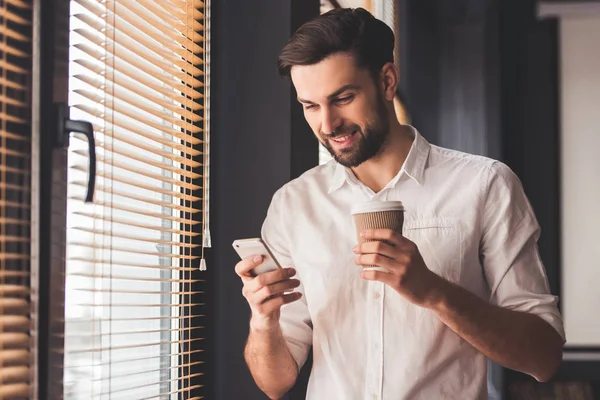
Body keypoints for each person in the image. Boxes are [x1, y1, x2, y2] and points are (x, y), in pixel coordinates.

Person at [235, 7, 565, 400]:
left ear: (387, 80)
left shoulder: (485, 185)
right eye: (310, 106)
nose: (327, 124)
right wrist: (263, 321)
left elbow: (543, 358)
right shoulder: (293, 205)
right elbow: (274, 383)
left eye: (343, 98)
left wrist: (434, 292)